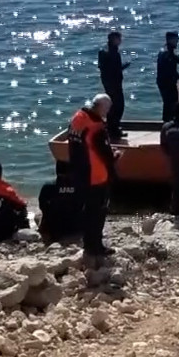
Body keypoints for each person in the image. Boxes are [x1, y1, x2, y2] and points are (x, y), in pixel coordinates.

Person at [68, 94, 120, 259]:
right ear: (102, 108)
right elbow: (105, 154)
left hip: (80, 172)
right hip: (97, 175)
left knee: (88, 209)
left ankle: (88, 243)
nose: (108, 113)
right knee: (98, 212)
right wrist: (116, 156)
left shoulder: (77, 118)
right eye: (108, 109)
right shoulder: (96, 127)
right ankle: (96, 246)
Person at [155, 31, 179, 123]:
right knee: (170, 103)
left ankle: (169, 122)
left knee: (170, 103)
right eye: (176, 40)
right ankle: (169, 123)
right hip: (166, 82)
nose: (177, 42)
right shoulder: (166, 52)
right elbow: (169, 69)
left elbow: (175, 60)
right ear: (170, 40)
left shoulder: (167, 50)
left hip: (165, 81)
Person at [97, 30, 130, 138]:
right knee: (117, 106)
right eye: (119, 39)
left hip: (114, 82)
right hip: (112, 83)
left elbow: (112, 68)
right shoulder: (107, 52)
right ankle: (113, 130)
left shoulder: (112, 50)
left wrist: (122, 67)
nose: (120, 41)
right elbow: (107, 69)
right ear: (113, 39)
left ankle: (114, 128)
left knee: (116, 106)